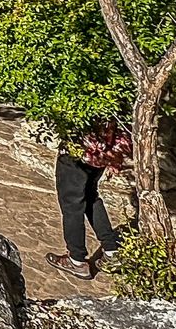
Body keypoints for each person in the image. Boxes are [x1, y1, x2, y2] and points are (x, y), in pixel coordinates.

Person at [46, 120, 131, 280]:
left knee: (72, 204)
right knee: (90, 196)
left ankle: (77, 261)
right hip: (102, 152)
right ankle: (111, 251)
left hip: (79, 151)